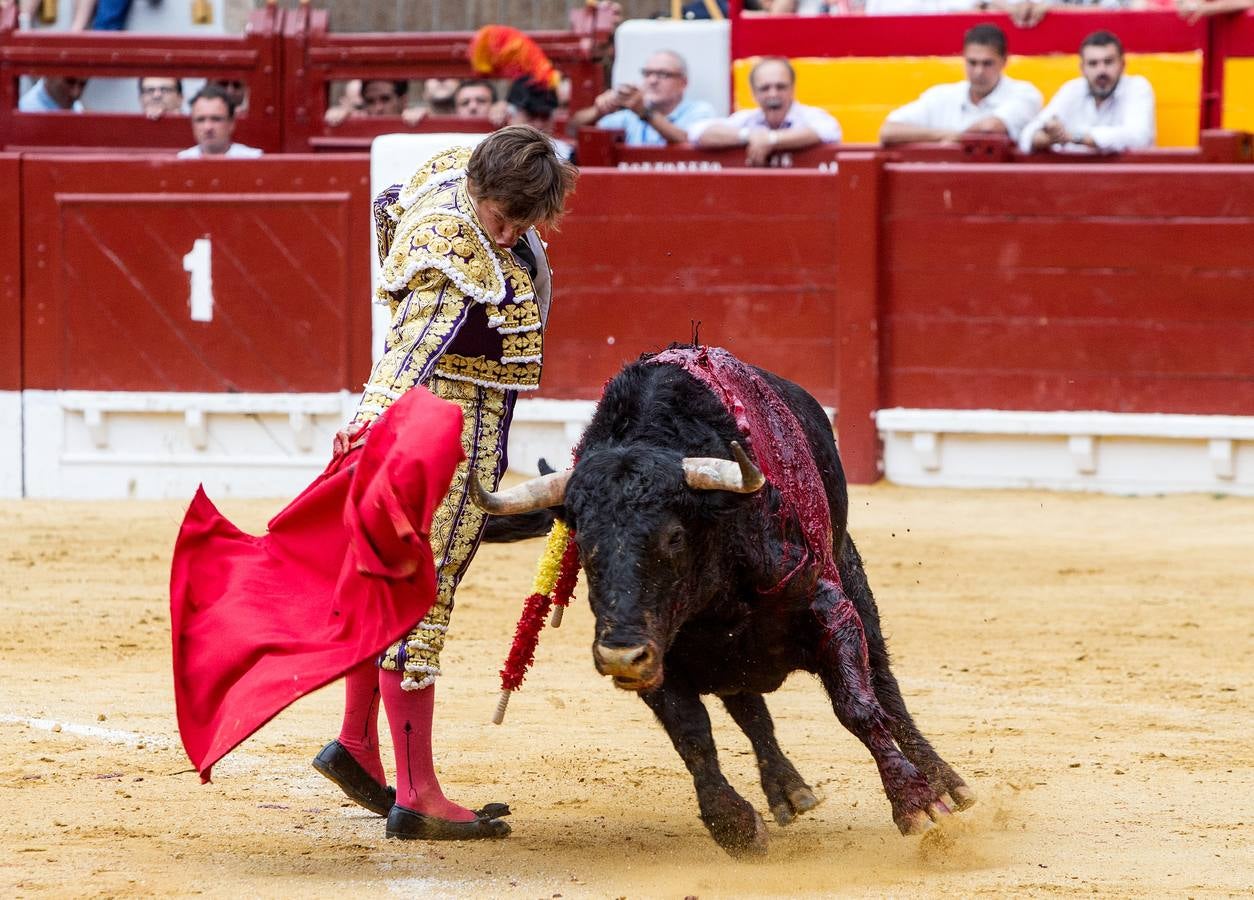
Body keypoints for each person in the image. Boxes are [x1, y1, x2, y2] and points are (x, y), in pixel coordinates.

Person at [312, 125, 577, 841]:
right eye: (504, 216)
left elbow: (391, 205)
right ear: (479, 193)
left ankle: (358, 743)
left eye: (527, 219)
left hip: (434, 427)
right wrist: (367, 428)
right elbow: (407, 350)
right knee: (422, 599)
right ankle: (419, 792)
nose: (514, 231)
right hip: (446, 438)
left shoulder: (458, 172)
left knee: (386, 582)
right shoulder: (452, 252)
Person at [879, 24, 1042, 146]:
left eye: (987, 63)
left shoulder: (1024, 93)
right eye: (972, 63)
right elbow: (888, 131)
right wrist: (945, 135)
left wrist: (949, 139)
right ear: (963, 59)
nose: (978, 71)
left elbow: (990, 128)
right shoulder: (941, 95)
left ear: (1004, 61)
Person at [1020, 31, 1155, 154]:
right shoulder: (1072, 89)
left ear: (1123, 64)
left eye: (1108, 62)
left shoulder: (1137, 87)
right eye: (1093, 63)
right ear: (1082, 68)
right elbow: (1027, 135)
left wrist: (1075, 137)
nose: (1101, 70)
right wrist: (1050, 136)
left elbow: (1139, 137)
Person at [689, 57, 841, 165]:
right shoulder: (746, 119)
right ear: (754, 93)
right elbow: (697, 132)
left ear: (792, 88)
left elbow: (828, 130)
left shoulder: (811, 115)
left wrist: (771, 140)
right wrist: (748, 135)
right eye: (765, 88)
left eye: (780, 87)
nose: (773, 94)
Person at [566, 50, 715, 146]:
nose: (652, 81)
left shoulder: (699, 111)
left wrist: (644, 112)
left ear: (683, 83)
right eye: (648, 74)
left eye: (663, 74)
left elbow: (685, 138)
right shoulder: (630, 115)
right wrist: (600, 110)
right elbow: (573, 130)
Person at [177, 85, 262, 159]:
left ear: (231, 123)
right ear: (192, 124)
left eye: (216, 119)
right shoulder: (180, 161)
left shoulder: (254, 159)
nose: (208, 127)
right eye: (200, 120)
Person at [506, 78, 575, 160]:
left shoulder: (565, 156)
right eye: (531, 116)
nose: (538, 125)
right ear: (510, 116)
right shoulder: (491, 151)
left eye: (545, 116)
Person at [18, 76, 87, 113]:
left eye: (82, 84)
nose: (75, 93)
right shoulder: (24, 111)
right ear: (49, 75)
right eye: (69, 82)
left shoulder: (78, 107)